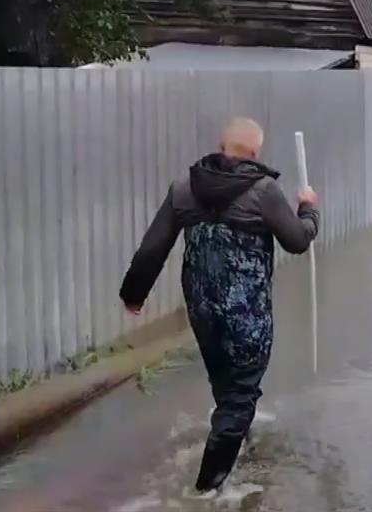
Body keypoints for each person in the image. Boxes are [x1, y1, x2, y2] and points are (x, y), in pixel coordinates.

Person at [118, 117, 319, 495]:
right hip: (247, 316)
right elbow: (297, 241)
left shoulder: (184, 189)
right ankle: (207, 490)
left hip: (203, 312)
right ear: (256, 153)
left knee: (227, 388)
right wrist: (309, 210)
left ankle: (232, 437)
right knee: (241, 395)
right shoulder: (264, 192)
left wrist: (134, 294)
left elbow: (152, 248)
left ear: (220, 146)